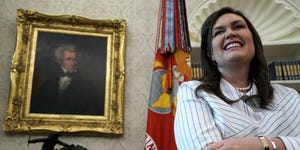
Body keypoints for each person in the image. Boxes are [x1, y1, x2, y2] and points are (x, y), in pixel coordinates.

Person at [174, 7, 300, 150]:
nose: (230, 33)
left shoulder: (289, 96)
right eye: (219, 32)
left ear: (253, 41)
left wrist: (262, 144)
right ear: (210, 54)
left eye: (238, 26)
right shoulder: (194, 92)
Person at [30, 44, 104, 116]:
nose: (73, 63)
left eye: (75, 59)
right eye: (69, 59)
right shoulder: (49, 83)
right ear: (60, 61)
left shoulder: (87, 86)